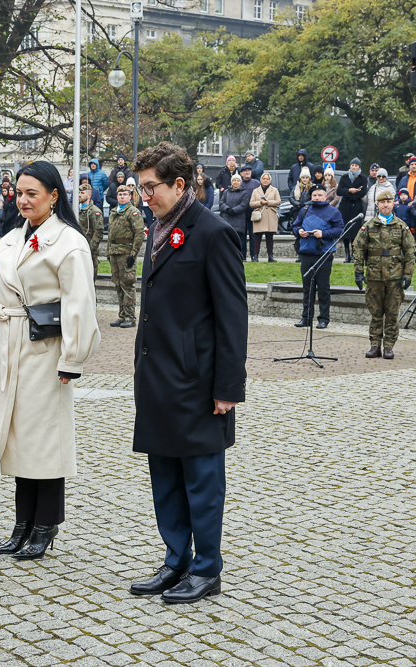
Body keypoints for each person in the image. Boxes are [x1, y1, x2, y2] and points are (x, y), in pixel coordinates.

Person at [129, 141, 247, 605]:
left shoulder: (213, 233)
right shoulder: (158, 229)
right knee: (165, 477)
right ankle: (175, 559)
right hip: (157, 378)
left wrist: (227, 388)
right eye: (140, 187)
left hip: (198, 383)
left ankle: (207, 568)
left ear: (181, 184)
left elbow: (232, 318)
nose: (145, 195)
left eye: (151, 187)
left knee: (201, 481)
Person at [0, 160, 100, 561]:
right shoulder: (8, 241)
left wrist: (72, 359)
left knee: (45, 441)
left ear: (53, 196)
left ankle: (45, 524)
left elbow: (80, 304)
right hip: (7, 347)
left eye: (33, 193)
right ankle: (21, 524)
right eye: (20, 192)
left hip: (46, 352)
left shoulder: (69, 243)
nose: (24, 200)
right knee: (17, 439)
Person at [353, 190, 416, 360]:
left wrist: (408, 274)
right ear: (377, 205)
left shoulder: (401, 226)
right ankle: (375, 345)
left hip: (395, 277)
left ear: (393, 204)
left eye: (389, 202)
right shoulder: (368, 226)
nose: (386, 205)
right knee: (375, 313)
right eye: (383, 202)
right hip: (374, 276)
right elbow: (358, 248)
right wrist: (358, 271)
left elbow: (410, 250)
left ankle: (388, 346)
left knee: (392, 313)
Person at [292, 186, 344, 329]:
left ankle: (323, 319)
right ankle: (306, 317)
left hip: (324, 254)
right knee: (307, 287)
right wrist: (299, 231)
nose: (317, 197)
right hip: (306, 252)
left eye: (320, 195)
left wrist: (323, 233)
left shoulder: (333, 212)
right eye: (314, 195)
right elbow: (295, 226)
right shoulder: (304, 210)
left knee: (323, 287)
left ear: (325, 196)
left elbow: (340, 230)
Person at [107, 185, 146, 327]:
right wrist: (108, 253)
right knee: (118, 285)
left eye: (125, 194)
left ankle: (130, 317)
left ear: (130, 196)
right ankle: (122, 316)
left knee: (127, 285)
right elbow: (111, 234)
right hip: (114, 253)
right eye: (120, 194)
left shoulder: (133, 212)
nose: (122, 196)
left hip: (126, 252)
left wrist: (133, 254)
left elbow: (139, 234)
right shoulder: (113, 212)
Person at [336, 158, 368, 263]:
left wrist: (354, 194)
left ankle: (354, 255)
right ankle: (347, 255)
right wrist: (349, 191)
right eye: (352, 165)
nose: (354, 167)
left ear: (359, 167)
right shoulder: (344, 177)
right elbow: (339, 191)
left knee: (355, 232)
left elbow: (363, 192)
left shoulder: (363, 178)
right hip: (345, 206)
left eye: (356, 165)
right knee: (346, 231)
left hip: (356, 207)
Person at [249, 172, 281, 262]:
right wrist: (260, 203)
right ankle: (255, 256)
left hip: (270, 215)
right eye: (264, 178)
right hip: (259, 215)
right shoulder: (255, 191)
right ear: (261, 180)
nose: (265, 180)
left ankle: (270, 256)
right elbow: (251, 203)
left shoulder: (274, 190)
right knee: (257, 237)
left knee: (269, 237)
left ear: (270, 180)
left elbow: (278, 201)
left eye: (267, 179)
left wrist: (268, 202)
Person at [78, 183, 103, 280]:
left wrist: (89, 248)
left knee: (89, 280)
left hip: (89, 251)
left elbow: (98, 232)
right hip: (77, 249)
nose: (79, 195)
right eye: (79, 192)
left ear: (89, 195)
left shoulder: (94, 211)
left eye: (82, 193)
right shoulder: (76, 209)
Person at [219, 174, 250, 251]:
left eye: (238, 180)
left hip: (238, 222)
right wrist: (227, 209)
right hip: (227, 220)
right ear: (231, 182)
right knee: (226, 242)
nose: (236, 182)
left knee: (238, 242)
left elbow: (244, 205)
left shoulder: (244, 193)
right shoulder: (226, 192)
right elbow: (221, 203)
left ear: (240, 182)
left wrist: (233, 210)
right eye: (234, 180)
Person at [394, 188, 416, 262]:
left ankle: (410, 257)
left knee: (407, 243)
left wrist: (413, 227)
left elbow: (412, 218)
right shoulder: (396, 206)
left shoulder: (410, 206)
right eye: (401, 195)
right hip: (397, 227)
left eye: (405, 195)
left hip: (407, 227)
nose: (403, 196)